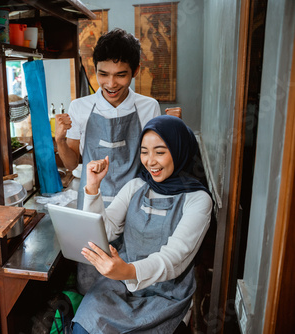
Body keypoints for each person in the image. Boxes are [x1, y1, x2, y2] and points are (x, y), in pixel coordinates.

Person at [71, 115, 213, 334]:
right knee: (83, 327)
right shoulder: (136, 185)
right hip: (119, 284)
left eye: (160, 152)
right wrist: (92, 188)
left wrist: (128, 271)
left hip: (166, 294)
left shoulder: (197, 199)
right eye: (144, 152)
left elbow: (173, 260)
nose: (150, 161)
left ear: (179, 150)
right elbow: (106, 231)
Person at [55, 28, 181, 211]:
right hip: (92, 199)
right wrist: (60, 140)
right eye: (103, 74)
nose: (111, 84)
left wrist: (175, 129)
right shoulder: (79, 107)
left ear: (135, 71)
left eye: (120, 75)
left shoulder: (148, 106)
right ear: (95, 68)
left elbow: (159, 160)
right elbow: (72, 164)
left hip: (136, 201)